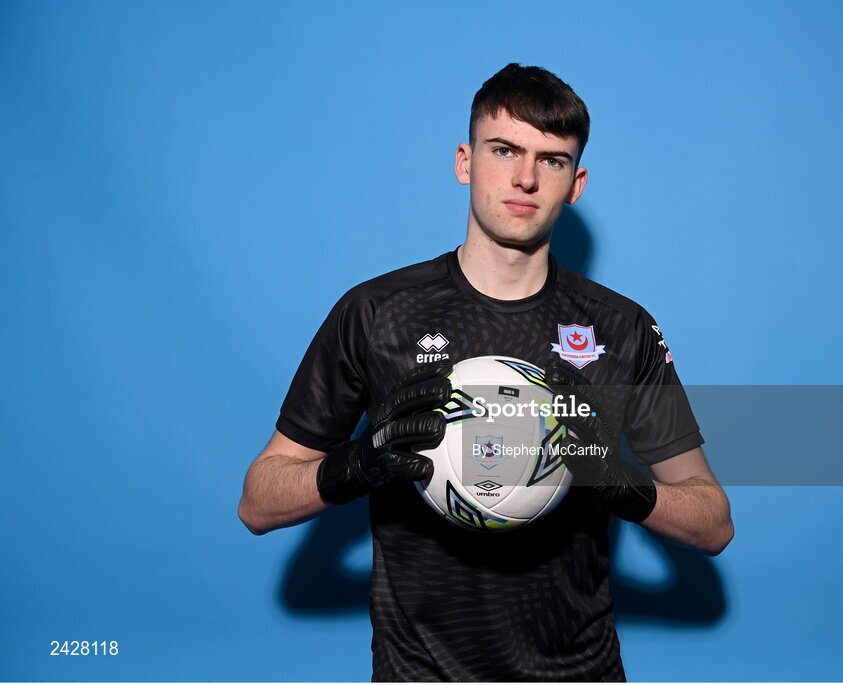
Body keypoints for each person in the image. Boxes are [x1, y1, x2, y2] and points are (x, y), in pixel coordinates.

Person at [238, 63, 734, 682]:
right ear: (465, 162)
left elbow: (713, 521)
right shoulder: (375, 314)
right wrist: (359, 463)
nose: (525, 177)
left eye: (551, 161)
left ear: (575, 184)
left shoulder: (620, 328)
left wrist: (622, 487)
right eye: (504, 150)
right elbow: (258, 502)